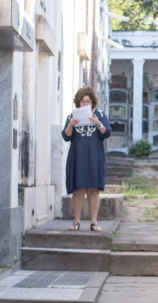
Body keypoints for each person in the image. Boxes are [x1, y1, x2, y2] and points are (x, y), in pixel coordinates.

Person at [62, 86, 112, 231]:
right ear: (78, 103)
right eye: (82, 101)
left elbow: (106, 132)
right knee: (78, 188)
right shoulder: (72, 116)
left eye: (87, 101)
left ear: (92, 102)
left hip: (94, 155)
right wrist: (71, 124)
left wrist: (97, 123)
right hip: (78, 154)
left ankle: (94, 222)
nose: (84, 104)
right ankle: (76, 222)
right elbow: (66, 136)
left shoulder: (100, 114)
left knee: (93, 189)